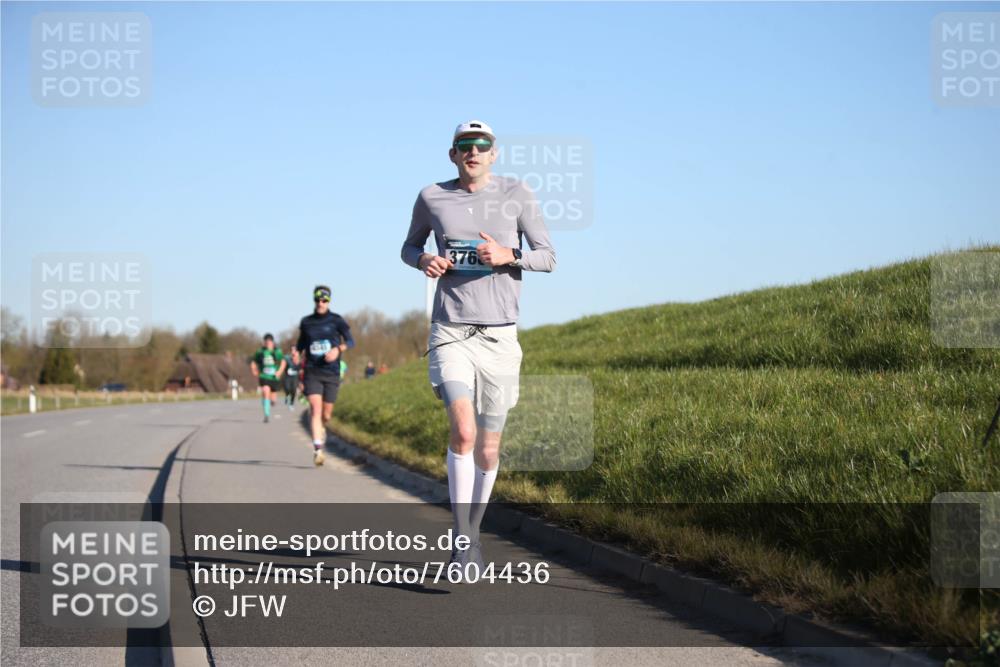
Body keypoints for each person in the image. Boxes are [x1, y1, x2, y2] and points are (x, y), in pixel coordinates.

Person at [400, 120, 555, 573]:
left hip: (500, 336)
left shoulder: (517, 194)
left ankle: (474, 530)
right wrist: (424, 258)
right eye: (464, 146)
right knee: (463, 431)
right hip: (450, 329)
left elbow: (548, 255)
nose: (473, 152)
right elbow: (408, 248)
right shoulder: (432, 196)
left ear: (494, 153)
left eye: (481, 146)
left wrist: (511, 256)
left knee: (488, 448)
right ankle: (463, 539)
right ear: (453, 155)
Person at [295, 285, 355, 466]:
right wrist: (295, 353)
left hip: (331, 372)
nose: (321, 303)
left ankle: (321, 429)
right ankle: (318, 449)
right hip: (312, 371)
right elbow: (300, 345)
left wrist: (338, 349)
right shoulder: (306, 322)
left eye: (324, 300)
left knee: (326, 415)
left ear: (329, 301)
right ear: (314, 300)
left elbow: (351, 341)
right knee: (315, 408)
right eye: (318, 299)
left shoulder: (336, 321)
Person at [250, 333, 286, 424]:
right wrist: (254, 370)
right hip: (264, 376)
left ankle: (271, 402)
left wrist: (279, 372)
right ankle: (266, 415)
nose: (268, 344)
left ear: (273, 342)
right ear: (264, 342)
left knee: (273, 400)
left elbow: (283, 362)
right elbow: (254, 361)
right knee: (265, 391)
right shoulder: (260, 352)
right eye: (266, 342)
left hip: (274, 377)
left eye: (270, 342)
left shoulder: (277, 351)